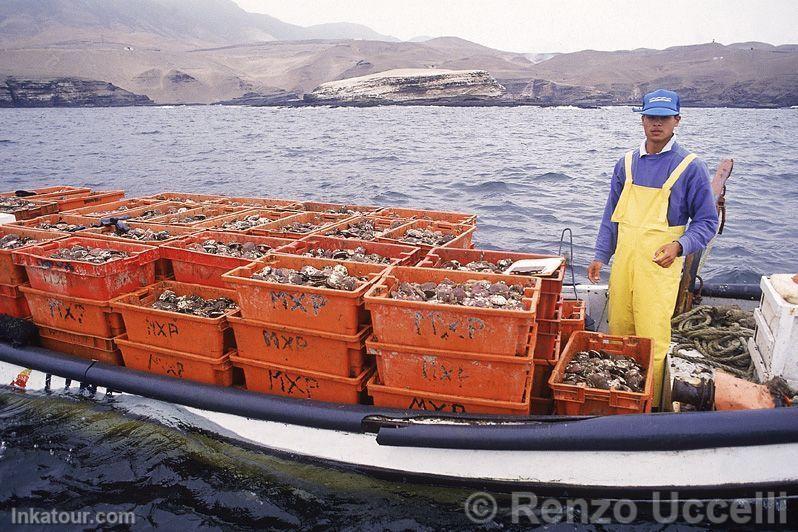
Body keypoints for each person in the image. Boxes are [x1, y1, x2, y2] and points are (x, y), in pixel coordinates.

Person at [587, 89, 719, 405]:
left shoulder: (691, 167)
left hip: (659, 271)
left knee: (652, 340)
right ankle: (618, 402)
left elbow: (706, 223)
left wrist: (679, 245)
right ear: (642, 120)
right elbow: (611, 215)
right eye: (651, 117)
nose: (656, 124)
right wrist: (601, 255)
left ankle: (649, 406)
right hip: (624, 267)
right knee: (619, 332)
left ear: (677, 120)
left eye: (664, 118)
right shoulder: (626, 164)